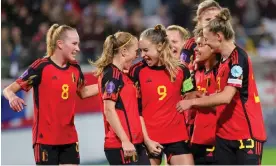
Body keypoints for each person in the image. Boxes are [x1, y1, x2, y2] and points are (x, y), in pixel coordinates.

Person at [176, 8, 267, 165]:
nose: (203, 42)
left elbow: (225, 97)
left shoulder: (238, 58)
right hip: (224, 136)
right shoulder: (221, 62)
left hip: (246, 135)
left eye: (206, 38)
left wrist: (192, 102)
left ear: (218, 37)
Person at [3, 24, 98, 165]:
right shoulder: (40, 67)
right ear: (60, 44)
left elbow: (83, 92)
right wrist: (12, 97)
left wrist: (106, 85)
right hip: (45, 140)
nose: (78, 48)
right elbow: (8, 89)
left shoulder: (75, 68)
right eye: (74, 44)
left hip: (69, 138)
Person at [129, 24, 194, 165]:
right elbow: (136, 110)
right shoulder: (136, 71)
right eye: (140, 51)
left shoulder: (182, 70)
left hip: (177, 136)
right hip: (149, 139)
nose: (142, 55)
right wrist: (147, 141)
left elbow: (190, 98)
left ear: (159, 47)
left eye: (146, 50)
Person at [91, 31, 150, 165]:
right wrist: (125, 141)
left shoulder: (119, 75)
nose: (137, 55)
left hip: (134, 143)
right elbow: (109, 110)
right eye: (136, 51)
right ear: (124, 51)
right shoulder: (112, 75)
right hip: (121, 145)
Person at [181, 0, 222, 141]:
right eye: (208, 19)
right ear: (199, 21)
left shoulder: (226, 45)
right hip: (196, 102)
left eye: (216, 19)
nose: (212, 23)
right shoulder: (190, 45)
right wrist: (190, 91)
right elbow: (183, 71)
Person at [189, 28, 219, 165]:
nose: (196, 48)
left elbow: (225, 105)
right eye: (196, 44)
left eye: (200, 45)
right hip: (196, 140)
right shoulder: (196, 73)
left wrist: (201, 98)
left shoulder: (222, 72)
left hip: (217, 141)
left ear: (213, 48)